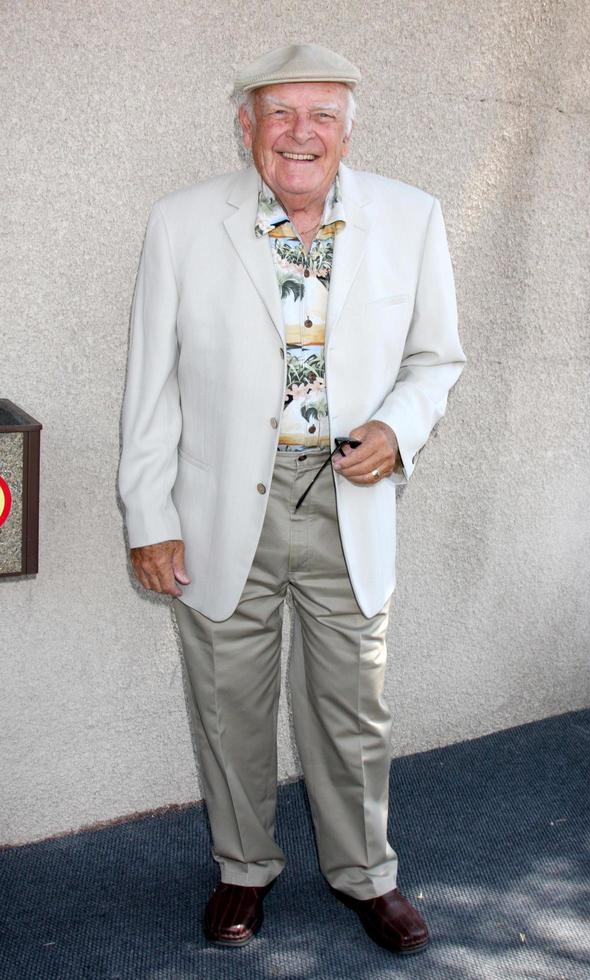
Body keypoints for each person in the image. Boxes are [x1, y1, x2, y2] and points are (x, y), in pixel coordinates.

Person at [119, 42, 465, 955]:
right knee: (228, 702)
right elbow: (150, 385)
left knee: (353, 707)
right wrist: (150, 518)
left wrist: (398, 428)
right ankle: (242, 869)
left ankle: (366, 877)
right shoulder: (182, 222)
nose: (299, 133)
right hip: (218, 512)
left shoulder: (412, 217)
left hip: (350, 500)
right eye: (279, 115)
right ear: (247, 129)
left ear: (349, 130)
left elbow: (436, 360)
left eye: (320, 115)